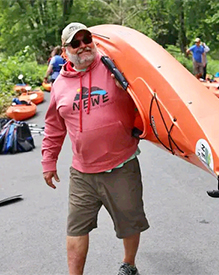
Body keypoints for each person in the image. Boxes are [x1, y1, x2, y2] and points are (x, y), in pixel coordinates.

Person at [41, 22, 149, 275]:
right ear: (66, 51)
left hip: (121, 163)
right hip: (82, 171)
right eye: (75, 43)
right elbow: (54, 128)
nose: (82, 46)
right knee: (76, 228)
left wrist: (131, 91)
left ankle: (129, 264)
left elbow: (147, 97)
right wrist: (49, 162)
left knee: (129, 222)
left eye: (86, 39)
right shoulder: (59, 86)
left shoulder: (115, 66)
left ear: (92, 40)